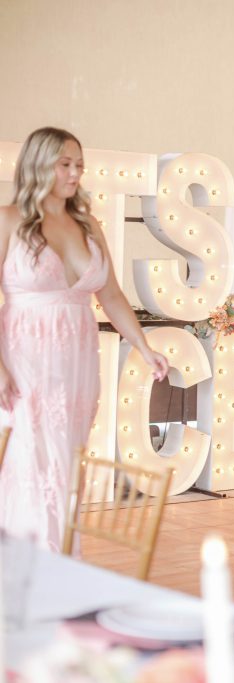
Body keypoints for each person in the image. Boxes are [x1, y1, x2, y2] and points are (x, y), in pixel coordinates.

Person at [0, 127, 169, 552]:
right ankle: (34, 570)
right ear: (40, 165)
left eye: (79, 165)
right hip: (24, 360)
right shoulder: (8, 219)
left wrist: (145, 348)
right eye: (66, 164)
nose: (76, 173)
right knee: (34, 463)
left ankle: (59, 566)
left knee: (65, 466)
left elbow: (110, 295)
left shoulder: (87, 223)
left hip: (77, 365)